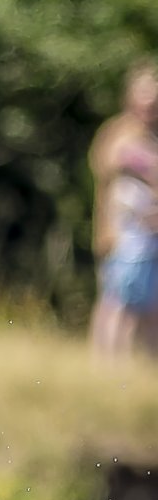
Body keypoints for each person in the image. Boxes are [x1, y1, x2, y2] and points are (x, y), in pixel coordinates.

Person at [89, 62, 158, 358]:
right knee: (117, 303)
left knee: (150, 310)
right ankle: (106, 369)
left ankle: (144, 372)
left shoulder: (154, 136)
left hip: (151, 240)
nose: (149, 104)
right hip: (122, 238)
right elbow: (106, 164)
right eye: (144, 96)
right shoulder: (117, 131)